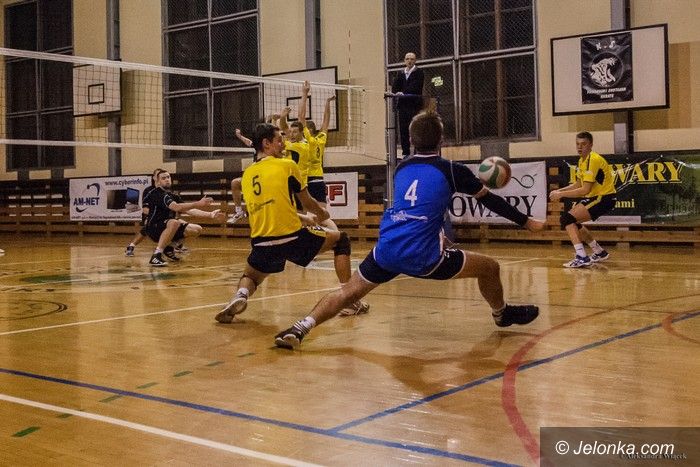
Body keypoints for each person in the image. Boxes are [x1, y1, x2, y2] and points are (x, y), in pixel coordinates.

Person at [273, 110, 545, 349]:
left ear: (412, 141)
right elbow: (491, 201)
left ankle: (301, 327)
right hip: (423, 256)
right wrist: (526, 222)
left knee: (348, 293)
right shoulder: (453, 170)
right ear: (441, 140)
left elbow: (420, 207)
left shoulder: (402, 168)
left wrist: (440, 236)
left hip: (387, 248)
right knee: (490, 267)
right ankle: (501, 314)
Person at [215, 123, 369, 324]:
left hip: (261, 242)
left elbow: (274, 207)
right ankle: (349, 300)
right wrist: (321, 213)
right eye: (279, 140)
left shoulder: (247, 175)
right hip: (292, 239)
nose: (284, 144)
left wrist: (303, 218)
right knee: (341, 240)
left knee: (251, 277)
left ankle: (240, 295)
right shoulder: (287, 166)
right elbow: (308, 202)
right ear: (266, 143)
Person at [549, 131, 617, 268]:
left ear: (591, 145)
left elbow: (584, 190)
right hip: (598, 197)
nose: (580, 147)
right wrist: (559, 191)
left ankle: (582, 257)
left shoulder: (593, 160)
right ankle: (599, 252)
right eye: (577, 144)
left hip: (604, 198)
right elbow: (578, 184)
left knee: (566, 219)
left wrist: (561, 195)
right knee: (572, 221)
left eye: (583, 144)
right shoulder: (582, 161)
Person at [143, 170, 225, 266]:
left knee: (197, 229)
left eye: (168, 177)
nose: (167, 180)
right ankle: (156, 255)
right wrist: (198, 203)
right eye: (163, 178)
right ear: (158, 181)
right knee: (175, 222)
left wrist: (210, 214)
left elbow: (189, 210)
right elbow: (176, 207)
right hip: (153, 228)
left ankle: (169, 248)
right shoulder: (157, 193)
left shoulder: (173, 195)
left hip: (168, 226)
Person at [298, 80, 338, 231]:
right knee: (323, 216)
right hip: (319, 180)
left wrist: (305, 93)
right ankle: (336, 235)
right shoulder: (321, 139)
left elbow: (301, 117)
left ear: (307, 130)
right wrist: (327, 103)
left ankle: (313, 240)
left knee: (306, 217)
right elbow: (326, 122)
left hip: (308, 181)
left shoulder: (307, 139)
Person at [391, 52, 425, 157]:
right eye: (407, 59)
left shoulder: (419, 73)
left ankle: (417, 151)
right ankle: (405, 152)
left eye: (411, 59)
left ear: (415, 61)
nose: (409, 61)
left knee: (415, 128)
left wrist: (403, 93)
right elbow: (395, 87)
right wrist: (398, 92)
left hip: (414, 105)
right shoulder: (401, 73)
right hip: (403, 106)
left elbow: (416, 87)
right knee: (403, 130)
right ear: (404, 61)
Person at [125, 168, 162, 256]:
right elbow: (145, 210)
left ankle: (175, 245)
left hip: (163, 216)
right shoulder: (148, 191)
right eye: (157, 175)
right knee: (149, 225)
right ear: (154, 178)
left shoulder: (166, 190)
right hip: (150, 215)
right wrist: (156, 215)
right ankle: (131, 246)